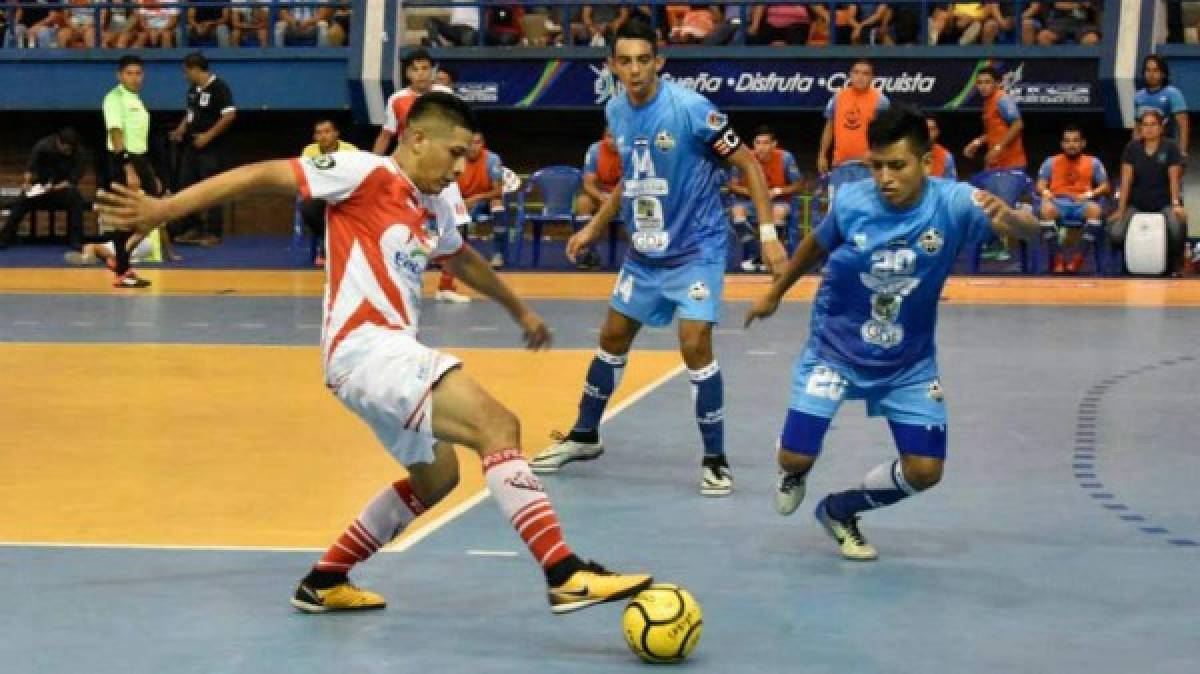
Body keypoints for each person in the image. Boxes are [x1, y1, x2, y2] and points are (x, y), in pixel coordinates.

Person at [93, 91, 653, 616]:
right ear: (415, 139)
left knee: (437, 479)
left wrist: (519, 310)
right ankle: (564, 572)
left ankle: (326, 580)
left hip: (381, 354)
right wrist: (165, 210)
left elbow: (459, 260)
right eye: (454, 153)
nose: (460, 169)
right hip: (365, 349)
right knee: (498, 425)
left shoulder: (430, 205)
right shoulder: (365, 171)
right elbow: (261, 173)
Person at [744, 104, 1039, 561]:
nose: (884, 177)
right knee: (796, 457)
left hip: (909, 361)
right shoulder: (852, 202)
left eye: (897, 166)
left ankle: (840, 510)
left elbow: (1033, 231)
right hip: (835, 351)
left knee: (926, 471)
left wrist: (1013, 218)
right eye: (876, 166)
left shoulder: (956, 202)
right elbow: (813, 247)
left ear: (926, 161)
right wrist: (776, 292)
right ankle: (793, 471)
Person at [529, 18, 787, 496]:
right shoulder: (616, 111)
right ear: (612, 66)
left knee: (693, 344)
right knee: (612, 335)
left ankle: (715, 459)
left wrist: (768, 233)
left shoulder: (690, 109)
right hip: (645, 253)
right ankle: (585, 435)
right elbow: (631, 175)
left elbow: (748, 162)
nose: (635, 70)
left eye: (643, 60)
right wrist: (594, 225)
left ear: (659, 62)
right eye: (624, 61)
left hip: (697, 249)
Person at [374, 49, 471, 303]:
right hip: (412, 174)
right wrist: (374, 165)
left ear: (433, 71)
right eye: (415, 69)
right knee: (406, 226)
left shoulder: (446, 96)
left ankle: (447, 286)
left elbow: (460, 130)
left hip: (443, 169)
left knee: (458, 224)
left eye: (425, 68)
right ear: (407, 73)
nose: (421, 74)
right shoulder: (397, 100)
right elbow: (387, 135)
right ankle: (398, 281)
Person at [102, 54, 159, 288]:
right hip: (123, 160)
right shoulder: (114, 98)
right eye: (129, 74)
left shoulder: (136, 99)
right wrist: (128, 168)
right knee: (127, 216)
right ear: (119, 75)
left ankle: (120, 257)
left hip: (140, 158)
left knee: (155, 210)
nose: (135, 78)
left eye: (138, 74)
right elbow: (116, 134)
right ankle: (122, 270)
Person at [1109, 108, 1188, 276]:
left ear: (1161, 127)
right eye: (1145, 125)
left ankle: (1176, 264)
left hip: (1164, 202)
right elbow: (1125, 181)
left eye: (1153, 124)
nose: (1149, 128)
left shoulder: (1171, 147)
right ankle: (1125, 265)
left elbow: (1174, 179)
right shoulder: (1132, 148)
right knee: (1115, 233)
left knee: (1176, 226)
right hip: (1137, 203)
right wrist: (1121, 210)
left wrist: (1175, 204)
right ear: (1140, 128)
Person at [169, 52, 236, 246]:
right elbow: (191, 112)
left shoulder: (219, 87)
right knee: (186, 186)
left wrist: (208, 136)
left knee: (212, 188)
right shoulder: (193, 89)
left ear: (196, 69)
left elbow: (229, 115)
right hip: (192, 146)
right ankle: (193, 227)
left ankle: (214, 232)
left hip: (212, 148)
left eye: (186, 71)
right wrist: (181, 129)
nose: (185, 76)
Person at [1035, 125, 1110, 273]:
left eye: (1075, 141)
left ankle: (1077, 259)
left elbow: (1106, 186)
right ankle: (1058, 259)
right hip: (1058, 202)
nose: (1071, 145)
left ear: (1083, 143)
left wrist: (1089, 195)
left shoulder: (1093, 162)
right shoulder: (1051, 161)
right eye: (1067, 141)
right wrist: (1045, 192)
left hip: (1081, 203)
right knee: (1045, 210)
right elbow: (1040, 184)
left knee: (1095, 211)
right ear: (1062, 144)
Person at [729, 125, 802, 272]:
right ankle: (755, 256)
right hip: (750, 202)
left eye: (765, 143)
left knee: (778, 213)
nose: (761, 147)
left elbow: (799, 184)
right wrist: (754, 192)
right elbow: (732, 185)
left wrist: (778, 191)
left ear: (774, 144)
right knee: (737, 212)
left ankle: (773, 257)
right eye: (757, 143)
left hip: (777, 201)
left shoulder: (785, 157)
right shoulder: (744, 156)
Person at [818, 59, 890, 207]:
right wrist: (822, 155)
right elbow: (829, 127)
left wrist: (875, 154)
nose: (860, 77)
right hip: (840, 166)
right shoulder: (838, 97)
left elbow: (886, 133)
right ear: (850, 75)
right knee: (837, 209)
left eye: (865, 73)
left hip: (867, 167)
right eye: (856, 72)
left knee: (867, 209)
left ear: (872, 78)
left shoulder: (881, 101)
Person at [0, 127, 86, 250]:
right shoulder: (43, 146)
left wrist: (54, 188)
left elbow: (72, 181)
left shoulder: (79, 153)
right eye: (66, 149)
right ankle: (5, 238)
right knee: (22, 199)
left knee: (76, 198)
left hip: (62, 189)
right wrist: (27, 183)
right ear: (59, 142)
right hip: (41, 186)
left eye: (71, 149)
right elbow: (29, 169)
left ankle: (76, 240)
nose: (69, 152)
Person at [299, 118, 358, 266]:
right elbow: (307, 177)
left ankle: (335, 248)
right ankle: (328, 243)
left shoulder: (350, 150)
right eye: (319, 133)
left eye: (327, 132)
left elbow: (357, 177)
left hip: (346, 195)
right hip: (321, 194)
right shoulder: (309, 151)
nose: (323, 136)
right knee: (307, 208)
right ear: (314, 137)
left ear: (336, 133)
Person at [456, 132, 508, 270]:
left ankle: (498, 253)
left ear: (482, 144)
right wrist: (462, 202)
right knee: (449, 209)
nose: (473, 147)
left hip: (485, 199)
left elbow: (498, 191)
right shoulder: (457, 159)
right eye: (469, 143)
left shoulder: (492, 159)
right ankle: (454, 253)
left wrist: (477, 198)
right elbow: (449, 188)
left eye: (477, 143)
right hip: (463, 200)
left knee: (498, 205)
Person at [575, 127, 623, 270]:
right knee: (583, 202)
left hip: (624, 196)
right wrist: (601, 197)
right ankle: (588, 252)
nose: (612, 142)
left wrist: (612, 200)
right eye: (609, 137)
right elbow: (588, 183)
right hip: (601, 194)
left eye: (616, 138)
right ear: (604, 136)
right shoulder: (595, 150)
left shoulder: (630, 150)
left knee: (605, 208)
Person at [1134, 54, 1189, 158]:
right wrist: (1134, 151)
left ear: (1163, 73)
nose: (1151, 74)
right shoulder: (1139, 96)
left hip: (1168, 150)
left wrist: (1183, 151)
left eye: (1155, 70)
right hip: (1144, 152)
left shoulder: (1173, 94)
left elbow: (1183, 125)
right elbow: (1137, 127)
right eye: (1148, 70)